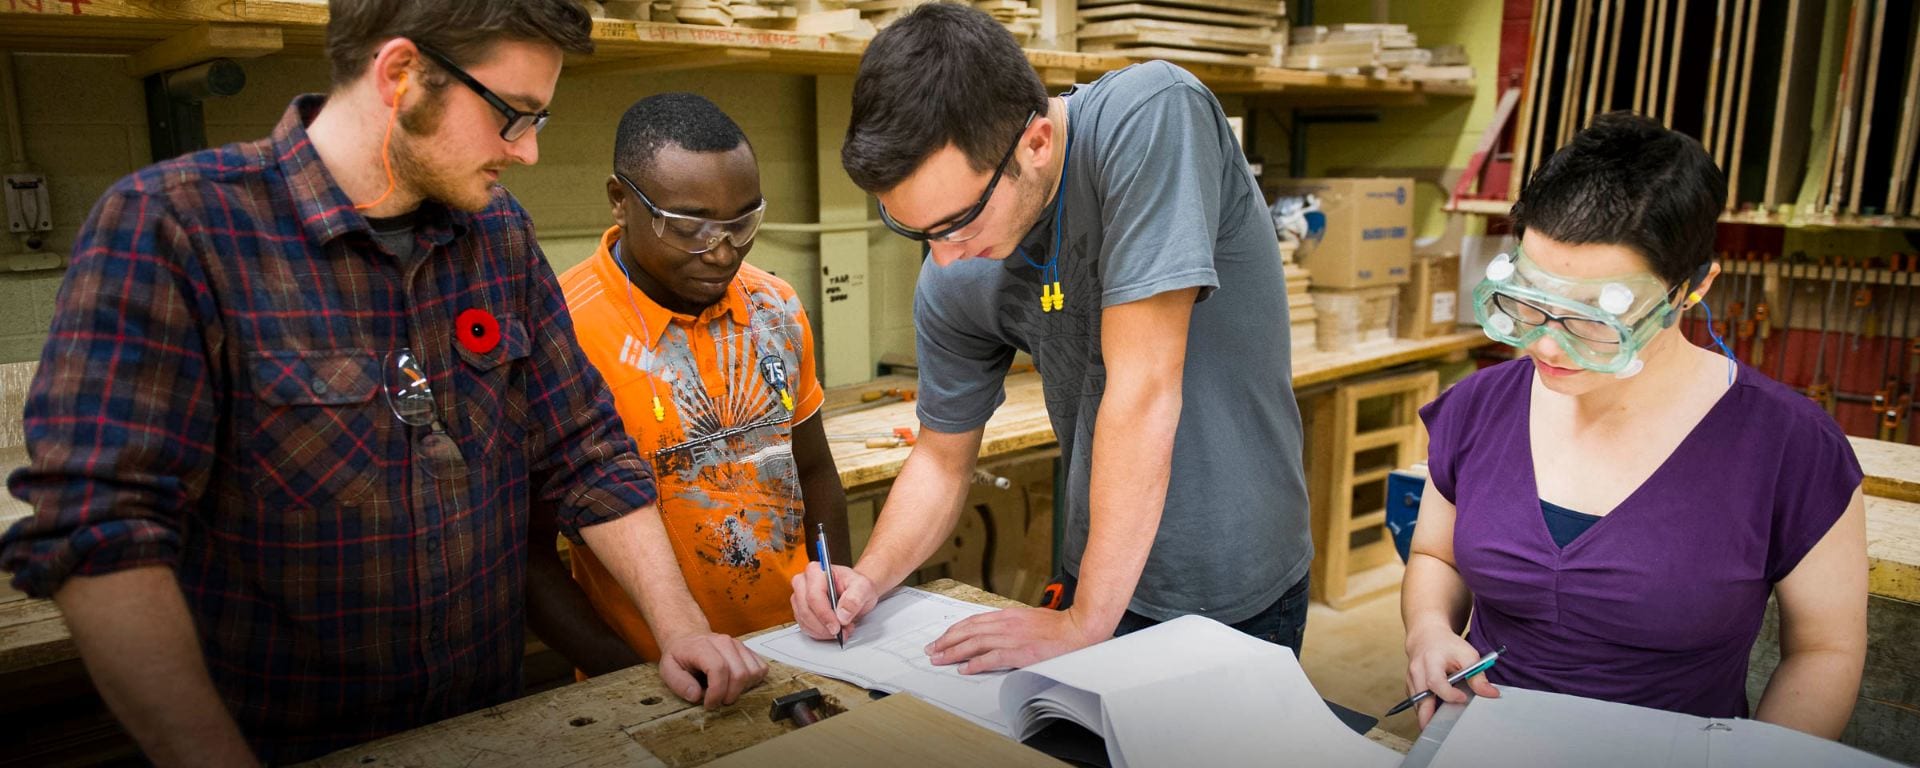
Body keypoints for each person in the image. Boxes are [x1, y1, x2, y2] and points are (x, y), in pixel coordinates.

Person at [0, 2, 764, 763]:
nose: (527, 152)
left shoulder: (497, 236)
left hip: (488, 729)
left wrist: (680, 628)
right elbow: (104, 531)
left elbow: (586, 451)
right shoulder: (178, 228)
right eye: (513, 116)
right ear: (401, 74)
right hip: (279, 741)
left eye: (540, 121)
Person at [790, 3, 1314, 673]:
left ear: (1036, 142)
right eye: (916, 232)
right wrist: (869, 577)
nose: (944, 258)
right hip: (1094, 574)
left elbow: (1145, 388)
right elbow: (941, 460)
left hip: (1232, 584)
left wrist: (1085, 621)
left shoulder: (1149, 116)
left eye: (958, 222)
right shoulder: (956, 273)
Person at [1402, 112, 1866, 738]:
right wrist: (1429, 629)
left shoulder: (1789, 447)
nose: (1548, 346)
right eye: (1533, 299)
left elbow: (1824, 651)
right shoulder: (1480, 406)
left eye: (1595, 318)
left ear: (1693, 288)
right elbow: (1437, 553)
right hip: (1484, 741)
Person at [531, 93, 850, 671]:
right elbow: (524, 552)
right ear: (620, 202)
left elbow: (815, 470)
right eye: (689, 226)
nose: (722, 250)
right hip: (657, 668)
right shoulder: (561, 331)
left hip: (803, 647)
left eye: (743, 221)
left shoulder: (774, 305)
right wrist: (627, 674)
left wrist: (834, 589)